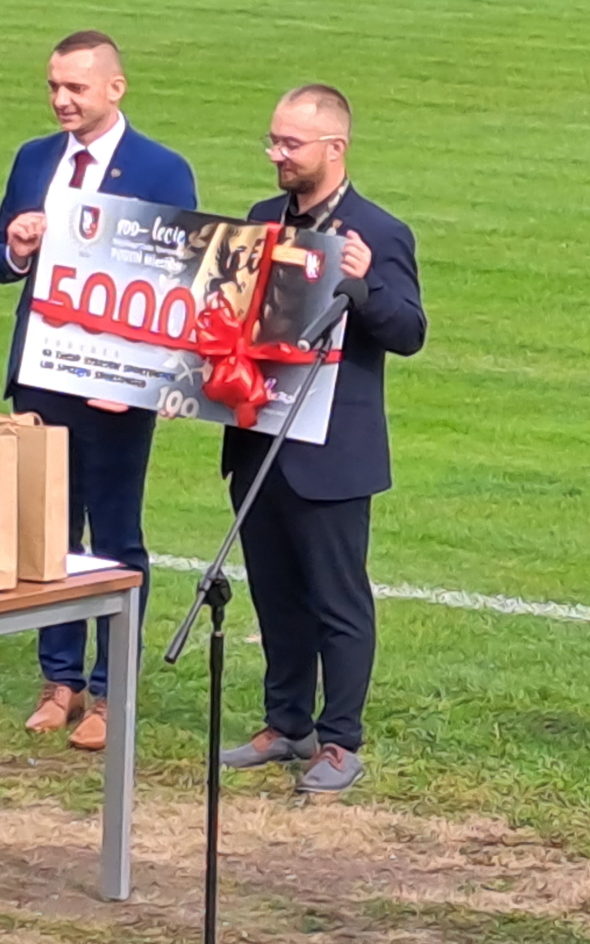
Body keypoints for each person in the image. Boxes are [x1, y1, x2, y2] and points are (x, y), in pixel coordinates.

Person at [0, 30, 197, 751]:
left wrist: (139, 383)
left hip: (115, 389)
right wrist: (16, 247)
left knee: (115, 535)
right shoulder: (34, 158)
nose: (61, 100)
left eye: (75, 87)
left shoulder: (162, 170)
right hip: (43, 375)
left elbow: (179, 282)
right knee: (48, 532)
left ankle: (112, 691)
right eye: (53, 86)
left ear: (114, 87)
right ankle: (60, 679)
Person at [219, 84, 426, 793]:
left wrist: (365, 286)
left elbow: (410, 332)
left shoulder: (379, 232)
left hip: (332, 450)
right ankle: (286, 722)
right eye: (273, 141)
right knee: (274, 593)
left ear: (334, 148)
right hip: (260, 439)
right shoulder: (260, 220)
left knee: (338, 601)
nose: (276, 154)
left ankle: (340, 739)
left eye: (290, 144)